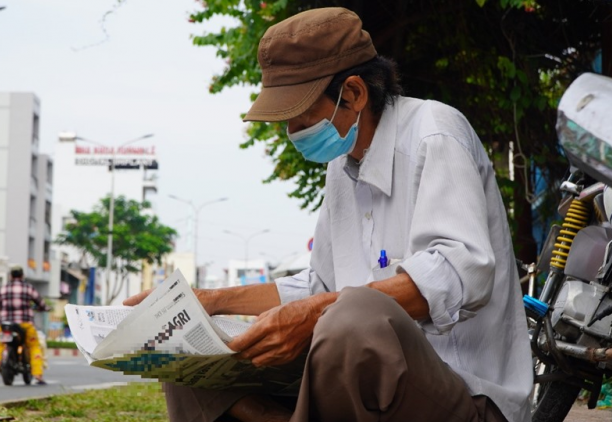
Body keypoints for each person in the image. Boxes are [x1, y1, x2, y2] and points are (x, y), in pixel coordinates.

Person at [125, 7, 532, 422]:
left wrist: (319, 312)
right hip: (364, 380)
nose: (293, 132)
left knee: (354, 317)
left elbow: (461, 273)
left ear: (353, 93)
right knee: (188, 352)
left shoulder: (435, 131)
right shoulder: (342, 166)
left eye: (299, 115)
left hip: (465, 394)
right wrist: (210, 302)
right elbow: (320, 283)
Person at [0, 265, 49, 384]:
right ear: (22, 275)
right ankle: (38, 375)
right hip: (24, 325)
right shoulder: (28, 288)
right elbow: (40, 303)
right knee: (34, 347)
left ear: (10, 276)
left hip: (5, 325)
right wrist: (44, 308)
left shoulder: (3, 288)